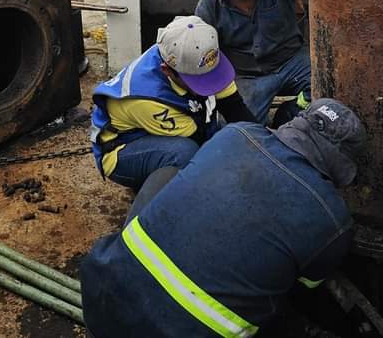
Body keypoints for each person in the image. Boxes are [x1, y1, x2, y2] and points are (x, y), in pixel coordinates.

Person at [81, 98, 365, 337]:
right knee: (279, 284)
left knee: (167, 176)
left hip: (100, 299)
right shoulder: (333, 222)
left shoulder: (236, 134)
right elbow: (305, 297)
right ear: (340, 164)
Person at [89, 15, 256, 189]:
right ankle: (155, 194)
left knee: (236, 135)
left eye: (211, 75)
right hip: (122, 149)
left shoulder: (193, 55)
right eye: (198, 80)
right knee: (185, 153)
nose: (210, 83)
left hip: (161, 130)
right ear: (167, 70)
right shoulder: (147, 99)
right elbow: (201, 143)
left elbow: (235, 108)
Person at [191, 0, 310, 124]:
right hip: (247, 77)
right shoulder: (208, 7)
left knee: (328, 85)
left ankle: (290, 112)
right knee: (240, 126)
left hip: (292, 62)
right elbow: (201, 55)